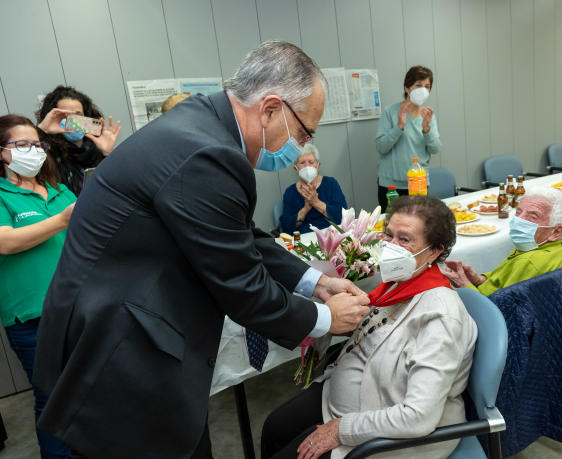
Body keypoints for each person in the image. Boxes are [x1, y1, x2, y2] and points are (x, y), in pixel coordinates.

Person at [32, 41, 371, 459]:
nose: (301, 148)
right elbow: (242, 287)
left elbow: (239, 235)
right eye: (303, 132)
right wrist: (325, 318)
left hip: (134, 335)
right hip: (121, 355)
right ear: (269, 109)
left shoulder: (200, 125)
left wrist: (315, 281)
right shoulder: (208, 153)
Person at [262, 195, 477, 459]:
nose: (392, 246)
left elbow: (418, 417)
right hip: (349, 400)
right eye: (389, 235)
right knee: (274, 428)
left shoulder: (441, 317)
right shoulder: (398, 284)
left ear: (434, 250)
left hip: (393, 436)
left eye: (405, 239)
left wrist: (342, 429)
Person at [0, 114, 76, 458]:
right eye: (22, 145)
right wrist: (60, 220)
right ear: (2, 152)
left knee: (91, 393)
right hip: (33, 316)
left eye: (38, 144)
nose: (34, 151)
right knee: (54, 400)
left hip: (79, 307)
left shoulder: (58, 189)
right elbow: (7, 242)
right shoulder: (3, 195)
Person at [443, 187, 562, 296]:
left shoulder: (529, 262)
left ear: (556, 232)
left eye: (532, 216)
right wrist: (479, 280)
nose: (518, 220)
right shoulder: (555, 247)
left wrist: (465, 286)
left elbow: (500, 311)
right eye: (518, 212)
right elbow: (503, 280)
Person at [375, 66, 442, 209]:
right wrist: (399, 126)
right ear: (407, 88)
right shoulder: (390, 112)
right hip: (391, 186)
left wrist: (426, 129)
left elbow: (436, 148)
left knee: (418, 226)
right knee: (392, 227)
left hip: (418, 184)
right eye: (418, 85)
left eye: (427, 86)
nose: (423, 90)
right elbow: (381, 147)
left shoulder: (428, 116)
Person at [35, 85, 121, 196]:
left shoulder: (96, 148)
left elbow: (116, 185)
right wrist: (42, 130)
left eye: (78, 114)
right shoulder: (46, 152)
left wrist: (107, 153)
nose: (73, 120)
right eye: (65, 115)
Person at [280, 143, 347, 233]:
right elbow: (286, 228)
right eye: (302, 163)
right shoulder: (290, 192)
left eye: (311, 162)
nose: (307, 166)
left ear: (318, 166)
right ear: (296, 169)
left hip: (331, 235)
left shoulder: (331, 184)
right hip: (304, 239)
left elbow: (343, 217)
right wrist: (305, 209)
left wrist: (316, 202)